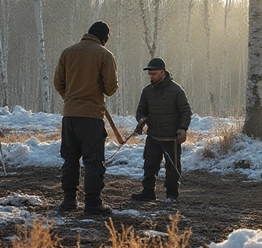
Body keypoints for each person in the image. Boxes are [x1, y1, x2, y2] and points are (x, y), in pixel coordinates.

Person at [54, 21, 119, 215]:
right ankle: (92, 203)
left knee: (70, 159)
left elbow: (59, 82)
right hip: (92, 117)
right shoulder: (104, 55)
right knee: (93, 161)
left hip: (70, 115)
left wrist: (71, 98)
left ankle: (69, 201)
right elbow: (110, 88)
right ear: (104, 38)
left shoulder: (68, 52)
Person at [132, 57, 192, 203]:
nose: (151, 76)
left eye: (154, 74)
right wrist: (141, 120)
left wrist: (183, 129)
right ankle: (148, 192)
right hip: (153, 136)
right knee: (149, 165)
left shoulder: (176, 90)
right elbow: (140, 111)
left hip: (171, 137)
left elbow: (185, 112)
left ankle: (172, 195)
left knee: (173, 167)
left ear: (163, 72)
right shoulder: (146, 92)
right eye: (150, 74)